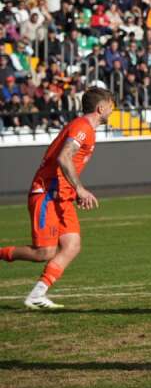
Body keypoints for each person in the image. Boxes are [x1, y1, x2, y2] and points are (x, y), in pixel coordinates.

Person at [1, 88, 113, 309]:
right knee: (44, 252)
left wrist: (73, 190)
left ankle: (37, 295)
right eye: (111, 105)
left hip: (62, 197)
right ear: (101, 108)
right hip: (47, 195)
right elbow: (64, 157)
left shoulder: (87, 129)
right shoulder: (83, 127)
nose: (113, 109)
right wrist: (80, 189)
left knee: (72, 245)